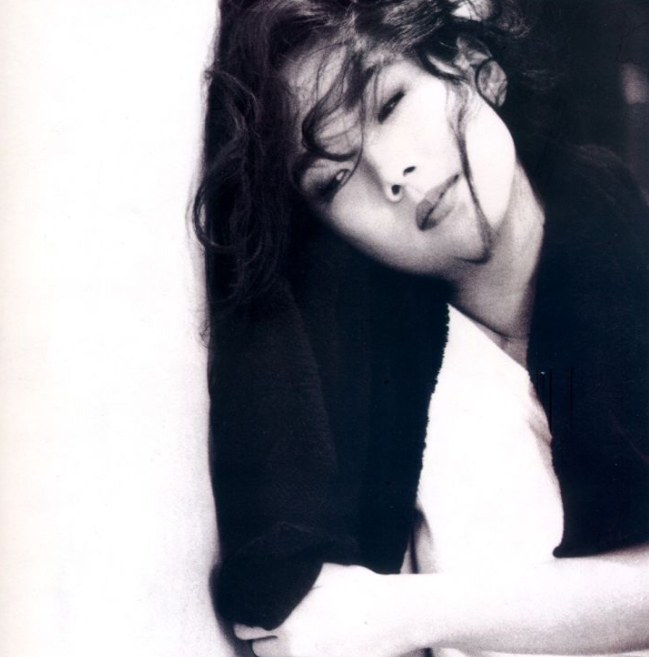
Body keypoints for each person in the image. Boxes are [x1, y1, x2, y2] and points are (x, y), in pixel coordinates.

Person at [193, 1, 649, 656]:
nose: (391, 174)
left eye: (389, 104)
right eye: (335, 178)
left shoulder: (627, 250)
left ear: (474, 65)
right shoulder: (389, 376)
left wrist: (401, 614)